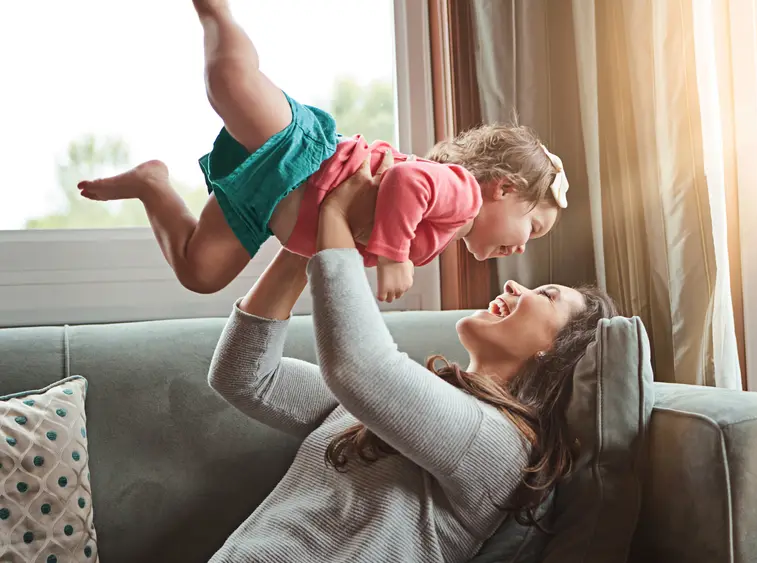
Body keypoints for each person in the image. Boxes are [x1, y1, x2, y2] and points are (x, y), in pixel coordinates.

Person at [205, 155, 617, 562]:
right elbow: (246, 378)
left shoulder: (500, 446)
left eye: (546, 296)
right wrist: (305, 239)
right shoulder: (397, 407)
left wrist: (334, 219)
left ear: (557, 350)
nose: (513, 283)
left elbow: (360, 370)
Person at [77, 0, 569, 302]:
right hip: (303, 162)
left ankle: (153, 185)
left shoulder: (439, 236)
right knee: (229, 81)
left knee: (200, 273)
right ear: (504, 188)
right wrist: (393, 256)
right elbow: (406, 182)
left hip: (269, 209)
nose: (524, 246)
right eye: (534, 227)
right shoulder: (462, 195)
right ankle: (216, 10)